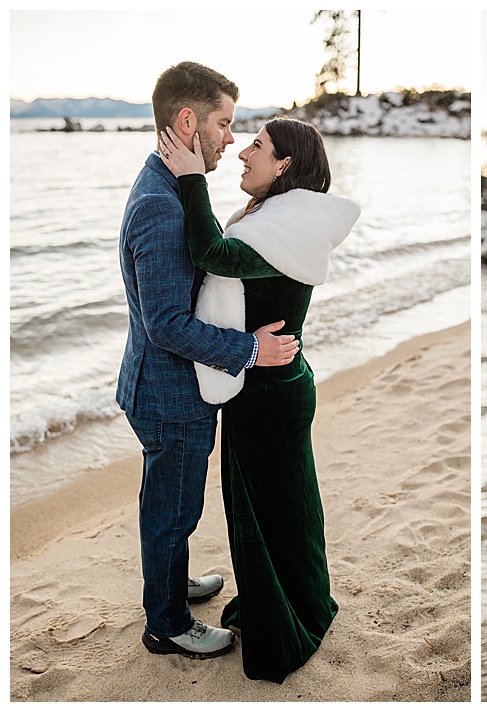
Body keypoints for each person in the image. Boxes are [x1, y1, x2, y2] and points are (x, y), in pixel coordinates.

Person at [158, 115, 359, 682]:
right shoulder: (285, 218)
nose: (244, 152)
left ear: (285, 164)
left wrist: (192, 177)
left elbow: (212, 255)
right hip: (277, 385)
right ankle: (301, 603)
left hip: (268, 392)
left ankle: (284, 628)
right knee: (286, 511)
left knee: (265, 512)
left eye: (257, 145)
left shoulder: (282, 227)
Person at [120, 61, 298, 661]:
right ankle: (166, 623)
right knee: (172, 509)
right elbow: (165, 324)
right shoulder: (161, 205)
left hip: (169, 385)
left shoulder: (170, 187)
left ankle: (172, 584)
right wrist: (252, 351)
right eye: (224, 123)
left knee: (175, 502)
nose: (230, 138)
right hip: (169, 392)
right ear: (188, 120)